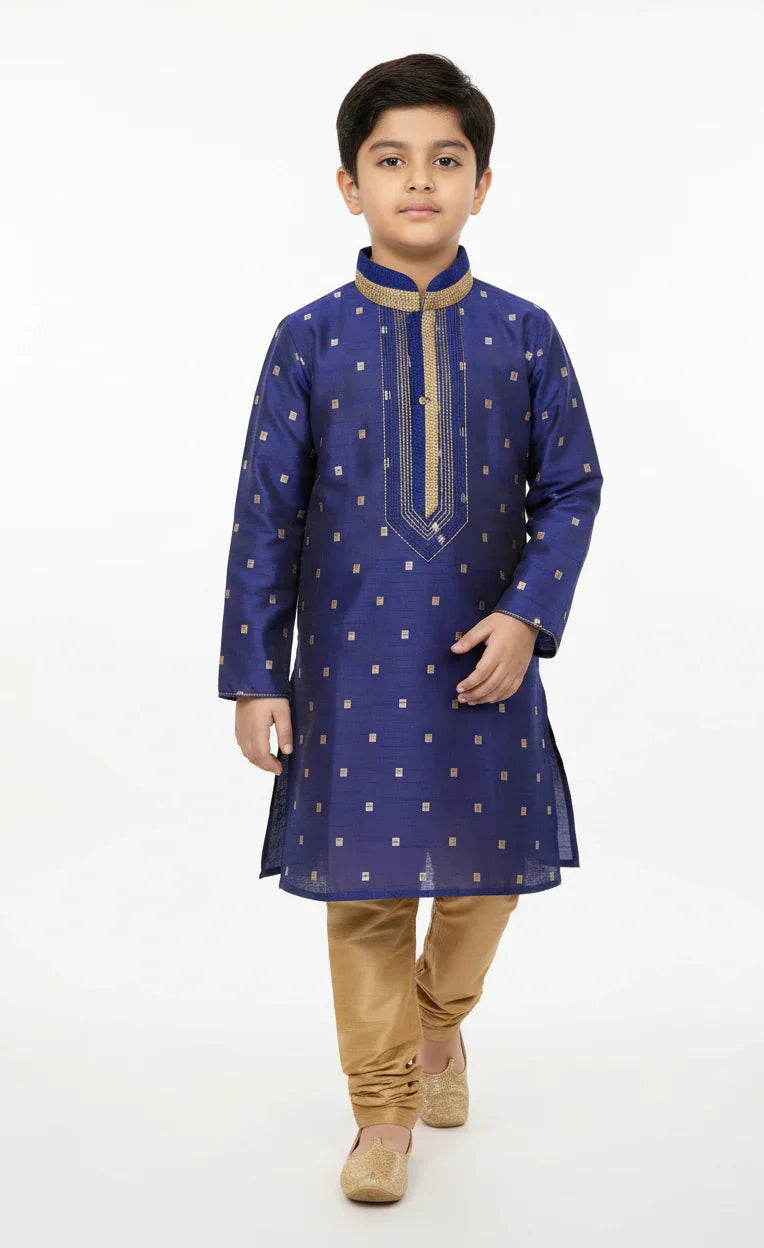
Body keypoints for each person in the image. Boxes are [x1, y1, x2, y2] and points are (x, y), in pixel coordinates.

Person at [217, 52, 603, 1202]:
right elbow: (266, 513)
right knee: (368, 896)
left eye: (445, 160)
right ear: (350, 186)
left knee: (489, 883)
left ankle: (439, 1021)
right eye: (391, 161)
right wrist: (257, 674)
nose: (419, 181)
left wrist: (527, 615)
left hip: (485, 665)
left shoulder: (524, 334)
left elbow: (571, 487)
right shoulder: (308, 339)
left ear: (482, 184)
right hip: (351, 672)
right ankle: (381, 1114)